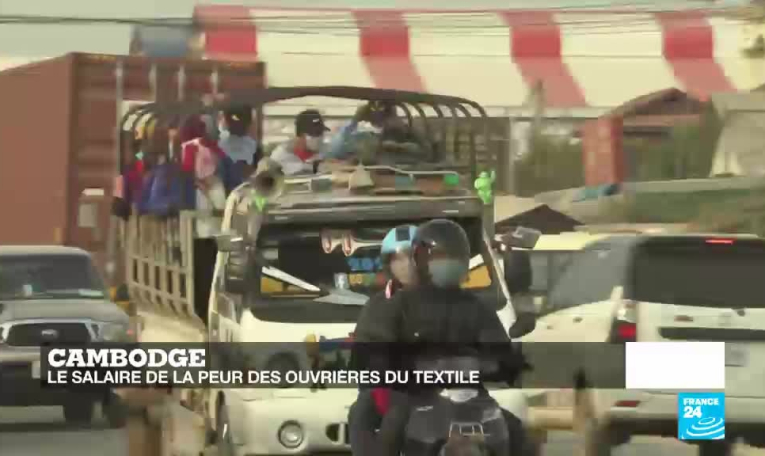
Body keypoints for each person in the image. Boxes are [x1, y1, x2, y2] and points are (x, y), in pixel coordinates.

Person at [352, 219, 528, 456]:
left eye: (454, 256)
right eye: (438, 256)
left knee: (516, 431)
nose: (447, 263)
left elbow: (500, 353)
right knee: (367, 414)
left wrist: (505, 362)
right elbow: (371, 351)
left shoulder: (477, 308)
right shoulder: (392, 306)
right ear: (420, 260)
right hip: (410, 396)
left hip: (466, 397)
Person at [348, 225, 418, 456]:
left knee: (395, 419)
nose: (406, 265)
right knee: (358, 414)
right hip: (382, 387)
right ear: (389, 264)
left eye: (411, 257)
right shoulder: (376, 304)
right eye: (398, 259)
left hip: (426, 390)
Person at [270, 109, 332, 175]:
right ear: (301, 134)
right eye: (316, 133)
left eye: (321, 132)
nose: (320, 137)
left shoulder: (325, 151)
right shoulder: (280, 157)